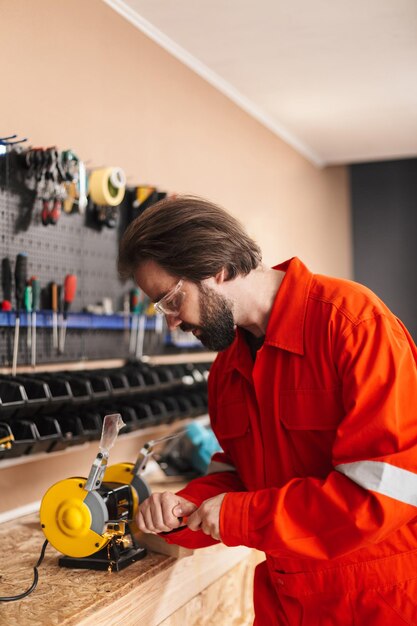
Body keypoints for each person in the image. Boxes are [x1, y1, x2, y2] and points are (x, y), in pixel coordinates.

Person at [118, 195, 417, 625]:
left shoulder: (352, 324)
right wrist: (183, 507)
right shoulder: (227, 368)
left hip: (377, 601)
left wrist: (241, 516)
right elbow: (238, 473)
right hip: (287, 601)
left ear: (215, 267)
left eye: (170, 300)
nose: (172, 323)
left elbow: (381, 493)